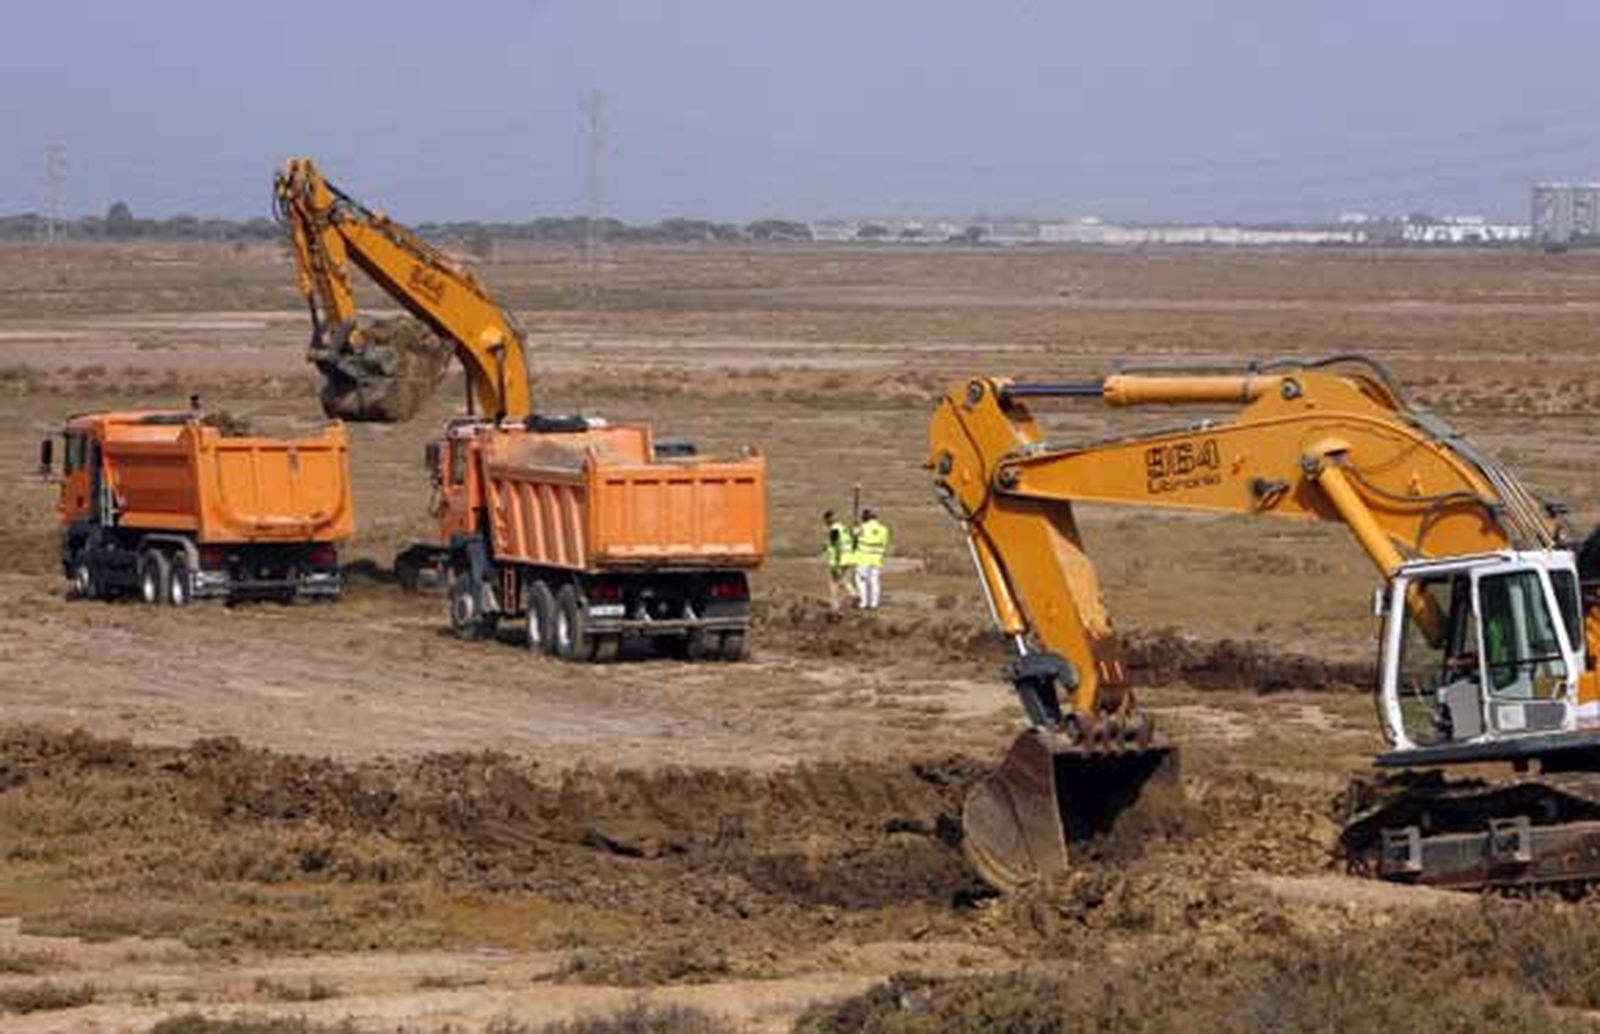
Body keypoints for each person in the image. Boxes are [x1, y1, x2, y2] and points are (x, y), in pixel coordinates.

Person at [853, 508, 890, 610]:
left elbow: (854, 536)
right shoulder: (884, 529)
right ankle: (874, 603)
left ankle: (863, 602)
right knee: (874, 581)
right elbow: (884, 544)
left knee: (861, 580)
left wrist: (855, 526)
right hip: (877, 558)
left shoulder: (863, 527)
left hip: (864, 558)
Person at [822, 509, 857, 611]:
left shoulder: (834, 530)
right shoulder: (844, 528)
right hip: (849, 558)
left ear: (828, 519)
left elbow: (834, 548)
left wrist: (834, 564)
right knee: (843, 580)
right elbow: (851, 543)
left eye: (826, 520)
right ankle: (853, 594)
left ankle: (835, 605)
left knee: (833, 583)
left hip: (840, 559)